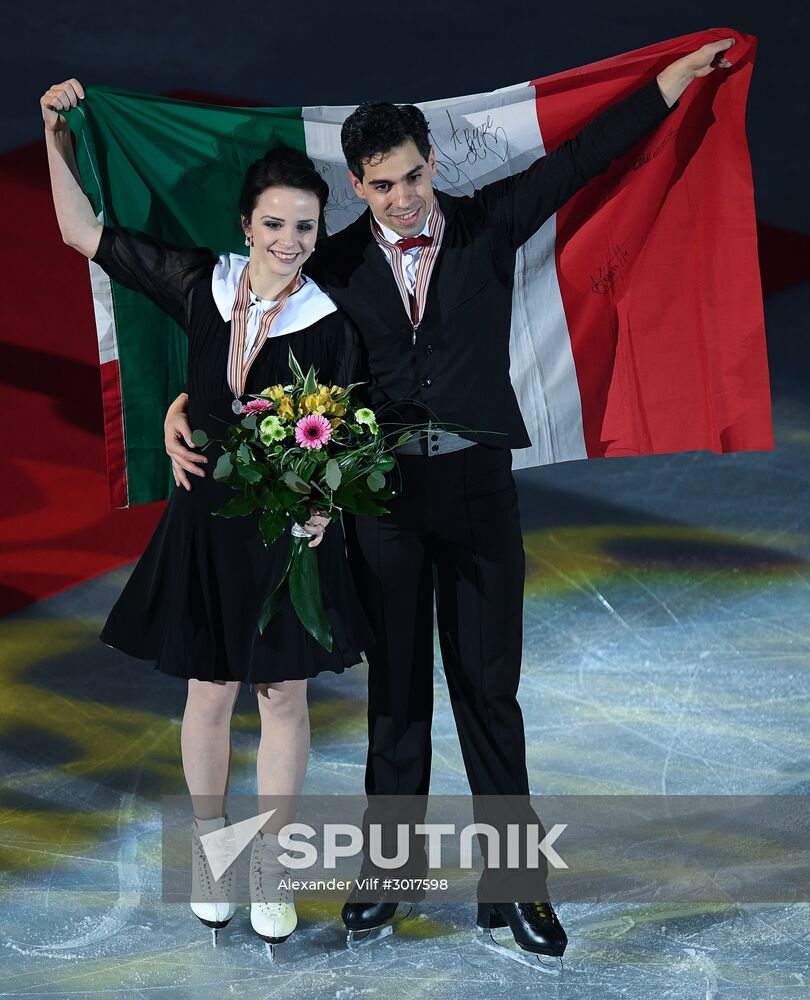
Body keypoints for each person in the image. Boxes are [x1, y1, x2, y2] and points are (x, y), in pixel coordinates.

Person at [164, 39, 735, 961]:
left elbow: (584, 160)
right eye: (383, 183)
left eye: (414, 176)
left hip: (476, 491)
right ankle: (387, 880)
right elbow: (248, 333)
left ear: (432, 165)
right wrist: (183, 403)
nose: (403, 196)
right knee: (396, 699)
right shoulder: (334, 265)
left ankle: (516, 887)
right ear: (356, 182)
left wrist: (670, 84)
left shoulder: (484, 224)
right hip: (382, 498)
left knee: (488, 690)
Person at [41, 78, 372, 951]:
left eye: (306, 226)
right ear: (245, 226)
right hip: (207, 521)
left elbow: (350, 429)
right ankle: (215, 851)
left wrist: (324, 507)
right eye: (275, 225)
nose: (291, 242)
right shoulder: (202, 285)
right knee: (211, 688)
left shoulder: (332, 319)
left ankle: (272, 866)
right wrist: (56, 133)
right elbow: (82, 233)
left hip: (285, 528)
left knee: (285, 693)